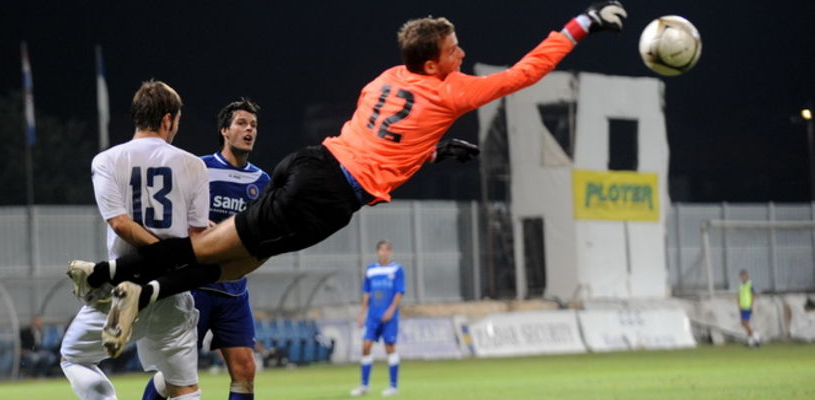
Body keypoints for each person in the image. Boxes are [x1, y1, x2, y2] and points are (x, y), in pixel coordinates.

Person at [70, 2, 628, 357]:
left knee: (241, 260)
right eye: (455, 49)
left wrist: (431, 152)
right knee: (213, 247)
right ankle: (108, 272)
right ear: (434, 62)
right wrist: (580, 24)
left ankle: (144, 286)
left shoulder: (385, 78)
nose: (463, 54)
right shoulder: (450, 88)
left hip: (309, 162)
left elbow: (384, 141)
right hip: (330, 194)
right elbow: (524, 73)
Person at [60, 80, 209, 400]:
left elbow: (120, 224)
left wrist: (152, 255)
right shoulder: (193, 165)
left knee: (72, 358)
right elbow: (197, 237)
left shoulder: (107, 160)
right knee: (185, 393)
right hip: (171, 292)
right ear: (168, 119)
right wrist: (169, 258)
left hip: (121, 290)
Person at [134, 98, 270, 400]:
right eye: (241, 123)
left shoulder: (262, 181)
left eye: (252, 125)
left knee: (245, 369)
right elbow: (173, 215)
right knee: (174, 375)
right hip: (194, 289)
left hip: (234, 291)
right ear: (224, 130)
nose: (248, 129)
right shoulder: (199, 167)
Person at [351, 240, 405, 397]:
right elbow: (367, 294)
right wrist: (362, 314)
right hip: (373, 316)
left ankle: (393, 386)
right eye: (381, 250)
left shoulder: (397, 270)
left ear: (390, 252)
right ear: (377, 252)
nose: (384, 252)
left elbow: (399, 292)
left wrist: (391, 310)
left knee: (390, 347)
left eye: (387, 250)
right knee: (366, 346)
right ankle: (364, 385)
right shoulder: (371, 270)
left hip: (389, 317)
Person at [738, 270, 760, 347]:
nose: (743, 277)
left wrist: (751, 305)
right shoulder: (741, 285)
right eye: (741, 276)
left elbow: (753, 295)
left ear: (747, 276)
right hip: (742, 306)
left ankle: (755, 336)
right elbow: (739, 296)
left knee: (745, 323)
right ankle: (750, 341)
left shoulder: (749, 284)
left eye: (744, 276)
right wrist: (739, 306)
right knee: (744, 323)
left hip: (747, 306)